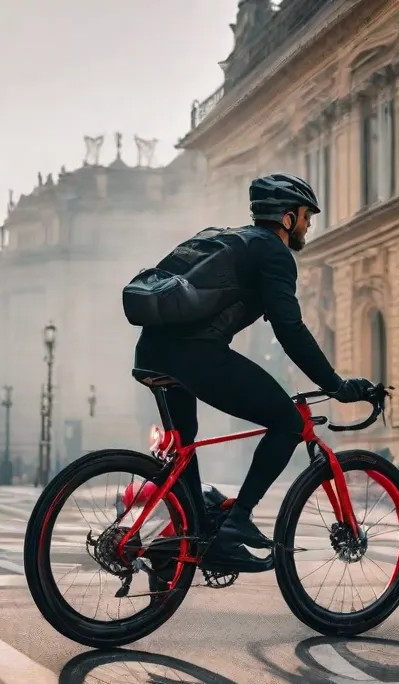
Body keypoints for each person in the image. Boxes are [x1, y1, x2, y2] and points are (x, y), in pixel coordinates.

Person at [132, 173, 376, 573]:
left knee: (184, 449)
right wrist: (335, 385)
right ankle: (235, 525)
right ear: (287, 218)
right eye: (305, 216)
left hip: (151, 354)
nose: (309, 224)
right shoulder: (274, 254)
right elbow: (290, 330)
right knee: (285, 420)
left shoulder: (228, 240)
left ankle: (191, 534)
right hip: (195, 356)